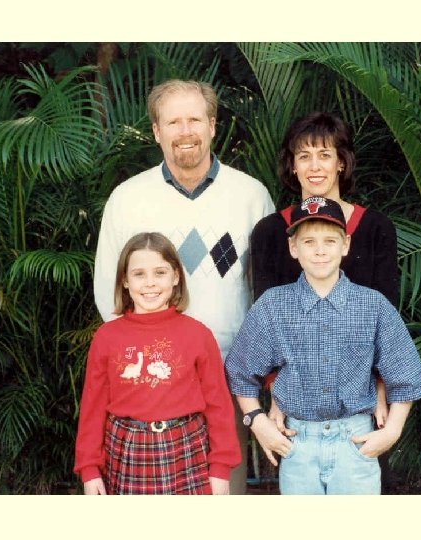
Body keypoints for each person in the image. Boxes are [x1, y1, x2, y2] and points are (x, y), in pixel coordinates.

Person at [93, 80, 275, 493]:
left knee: (223, 490)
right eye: (173, 122)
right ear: (157, 132)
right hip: (150, 385)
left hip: (229, 375)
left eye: (194, 119)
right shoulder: (127, 199)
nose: (185, 131)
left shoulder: (250, 196)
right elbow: (109, 291)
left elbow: (266, 295)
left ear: (212, 125)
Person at [225, 197, 421, 494]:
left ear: (346, 245)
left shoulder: (372, 305)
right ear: (293, 248)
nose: (320, 250)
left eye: (330, 241)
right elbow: (240, 371)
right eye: (308, 241)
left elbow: (406, 375)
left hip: (355, 443)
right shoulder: (273, 306)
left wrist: (393, 431)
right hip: (297, 444)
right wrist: (257, 421)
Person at [250, 112, 398, 484]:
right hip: (299, 406)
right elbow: (268, 328)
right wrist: (276, 397)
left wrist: (381, 391)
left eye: (325, 155)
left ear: (341, 162)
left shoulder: (375, 228)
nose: (314, 166)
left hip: (362, 404)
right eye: (304, 156)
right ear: (292, 165)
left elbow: (387, 323)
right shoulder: (270, 232)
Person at [75, 232, 241, 494]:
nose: (150, 283)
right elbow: (92, 408)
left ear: (176, 277)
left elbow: (218, 406)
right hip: (128, 451)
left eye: (160, 273)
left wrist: (220, 467)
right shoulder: (107, 337)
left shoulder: (198, 335)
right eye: (139, 274)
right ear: (125, 281)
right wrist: (89, 468)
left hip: (187, 451)